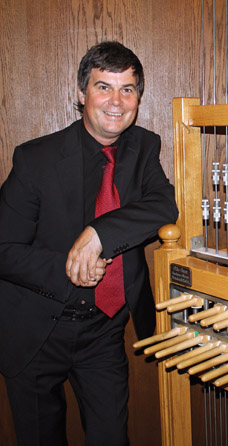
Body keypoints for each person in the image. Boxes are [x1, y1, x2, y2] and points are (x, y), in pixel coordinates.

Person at [0, 41, 178, 445]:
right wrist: (71, 265)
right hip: (35, 329)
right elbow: (3, 249)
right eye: (103, 87)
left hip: (103, 331)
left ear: (138, 97)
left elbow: (163, 205)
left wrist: (100, 234)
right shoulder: (35, 158)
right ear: (81, 94)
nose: (116, 101)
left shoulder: (144, 146)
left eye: (127, 89)